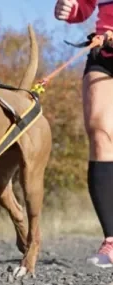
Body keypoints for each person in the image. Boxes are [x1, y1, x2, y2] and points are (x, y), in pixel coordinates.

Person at [54, 0, 113, 268]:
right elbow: (84, 6)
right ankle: (112, 241)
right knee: (99, 132)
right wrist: (71, 9)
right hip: (105, 51)